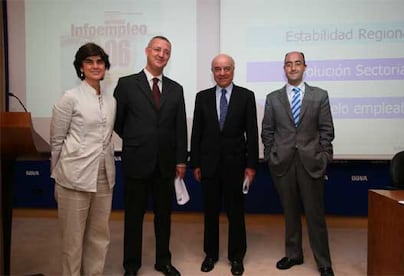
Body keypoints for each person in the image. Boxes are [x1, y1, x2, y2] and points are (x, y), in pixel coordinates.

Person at [113, 35, 187, 276]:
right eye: (157, 49)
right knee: (133, 218)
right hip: (136, 161)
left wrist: (180, 160)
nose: (161, 54)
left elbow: (179, 128)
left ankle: (163, 261)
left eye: (166, 51)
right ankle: (131, 266)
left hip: (165, 164)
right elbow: (118, 122)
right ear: (147, 51)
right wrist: (137, 140)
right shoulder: (126, 84)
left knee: (163, 217)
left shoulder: (176, 89)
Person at [261, 51, 335, 276]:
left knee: (315, 215)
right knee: (290, 212)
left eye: (297, 64)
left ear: (305, 67)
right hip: (282, 163)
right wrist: (271, 155)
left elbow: (326, 130)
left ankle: (323, 262)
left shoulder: (319, 95)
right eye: (288, 64)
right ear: (284, 68)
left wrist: (324, 157)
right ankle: (294, 254)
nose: (292, 68)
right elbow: (267, 131)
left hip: (311, 162)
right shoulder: (273, 98)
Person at [50, 42, 116, 275]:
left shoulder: (111, 100)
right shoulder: (69, 98)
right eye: (89, 61)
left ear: (105, 66)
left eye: (99, 61)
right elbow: (57, 141)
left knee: (99, 237)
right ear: (80, 67)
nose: (95, 66)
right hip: (73, 177)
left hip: (103, 176)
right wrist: (56, 178)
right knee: (72, 242)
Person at [190, 54, 259, 276]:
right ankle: (210, 255)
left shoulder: (246, 97)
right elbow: (196, 133)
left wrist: (251, 166)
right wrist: (196, 163)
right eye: (217, 69)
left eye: (226, 68)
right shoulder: (202, 97)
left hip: (236, 167)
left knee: (236, 213)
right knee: (210, 213)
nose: (222, 73)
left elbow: (251, 132)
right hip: (209, 165)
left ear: (233, 70)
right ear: (212, 71)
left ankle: (236, 257)